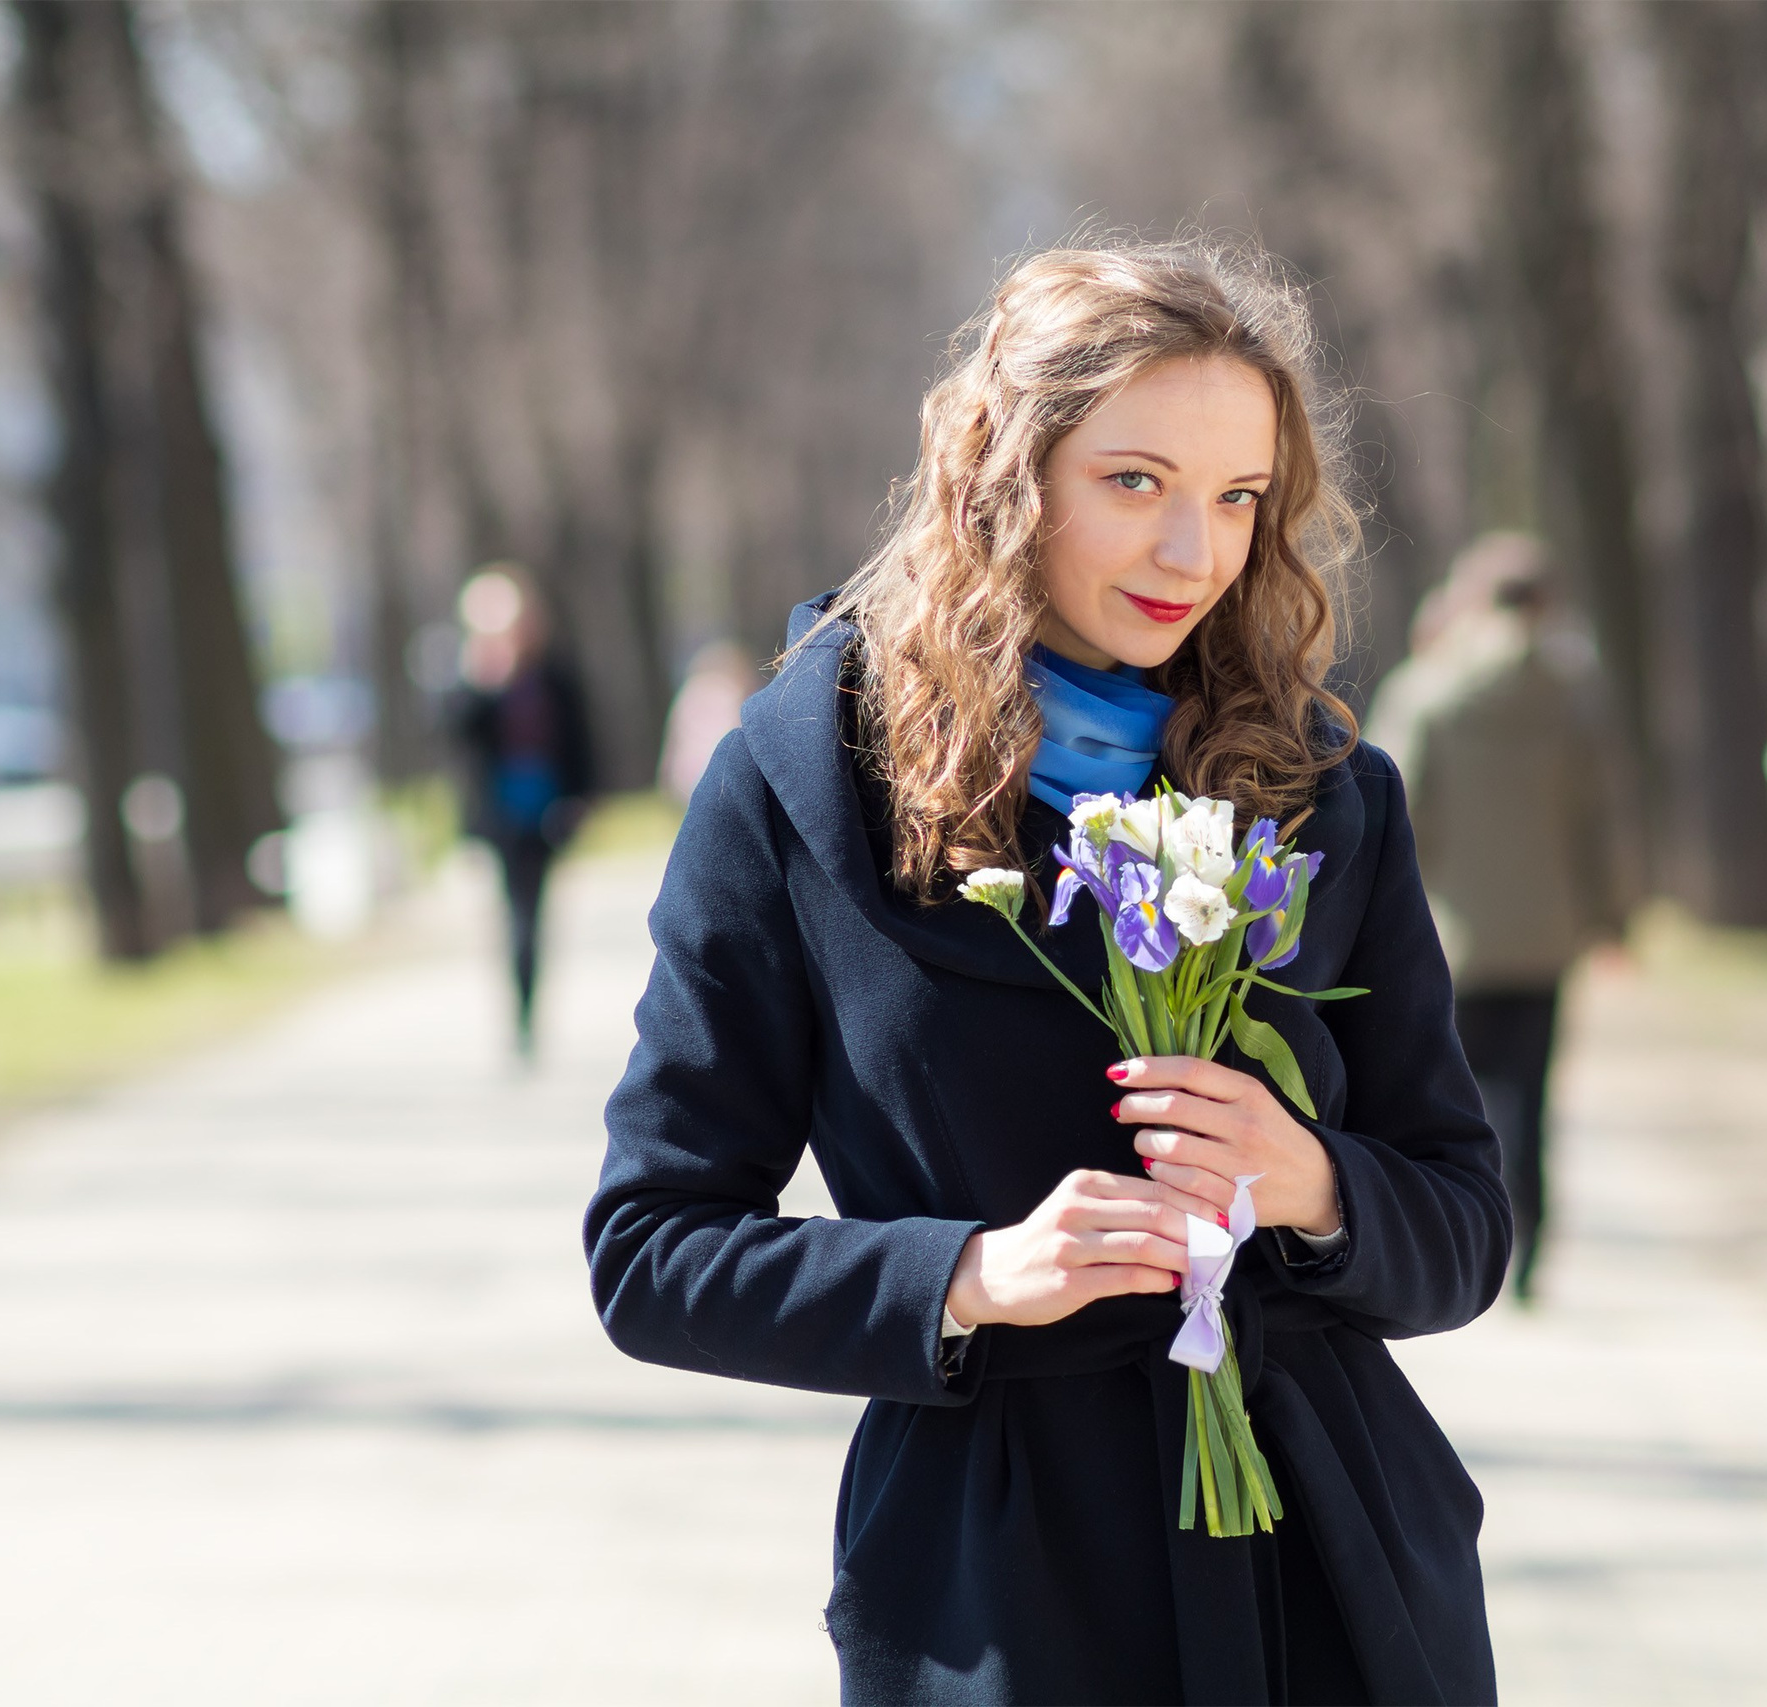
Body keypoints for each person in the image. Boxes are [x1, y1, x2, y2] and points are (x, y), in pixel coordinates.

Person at [584, 240, 1508, 1706]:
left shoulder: (1328, 787)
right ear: (1005, 476)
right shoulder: (797, 784)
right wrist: (966, 1273)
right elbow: (651, 1250)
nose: (1192, 554)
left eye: (1235, 496)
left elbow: (1464, 1222)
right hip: (993, 1590)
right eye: (1135, 482)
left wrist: (1316, 1183)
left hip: (1328, 1567)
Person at [1367, 532, 1637, 1304]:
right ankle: (1534, 1242)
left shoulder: (1430, 692)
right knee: (1534, 1093)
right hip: (1548, 937)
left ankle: (1472, 1239)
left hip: (1453, 935)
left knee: (1461, 1097)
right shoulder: (1575, 697)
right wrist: (1614, 919)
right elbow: (1602, 821)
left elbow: (1397, 810)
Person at [448, 563, 596, 1056]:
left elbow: (580, 743)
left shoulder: (554, 677)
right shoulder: (478, 682)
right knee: (513, 914)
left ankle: (527, 1008)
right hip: (499, 816)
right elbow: (456, 734)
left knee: (532, 914)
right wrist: (486, 678)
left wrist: (581, 799)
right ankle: (518, 1008)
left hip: (546, 812)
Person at [656, 640, 759, 804]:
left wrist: (666, 775)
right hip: (718, 774)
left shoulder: (687, 694)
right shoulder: (732, 693)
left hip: (685, 775)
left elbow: (674, 740)